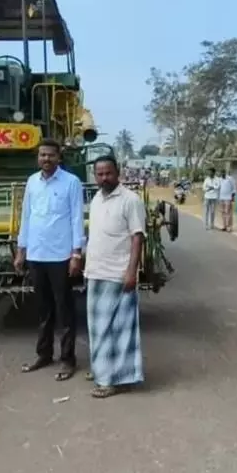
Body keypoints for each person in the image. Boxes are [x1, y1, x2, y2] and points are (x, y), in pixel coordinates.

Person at [15, 138, 84, 382]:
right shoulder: (32, 182)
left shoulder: (71, 183)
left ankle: (68, 359)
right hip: (36, 254)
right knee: (43, 310)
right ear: (38, 157)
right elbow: (26, 217)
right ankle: (43, 354)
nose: (46, 159)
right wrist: (21, 250)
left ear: (59, 157)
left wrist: (76, 253)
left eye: (51, 155)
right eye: (42, 155)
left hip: (61, 256)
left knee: (64, 310)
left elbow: (77, 218)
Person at [83, 156, 146, 398]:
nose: (103, 178)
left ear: (117, 173)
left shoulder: (130, 200)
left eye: (108, 173)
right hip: (96, 271)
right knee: (97, 328)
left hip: (118, 274)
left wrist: (132, 270)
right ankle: (101, 367)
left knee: (119, 329)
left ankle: (110, 381)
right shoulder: (97, 198)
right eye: (99, 174)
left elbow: (137, 237)